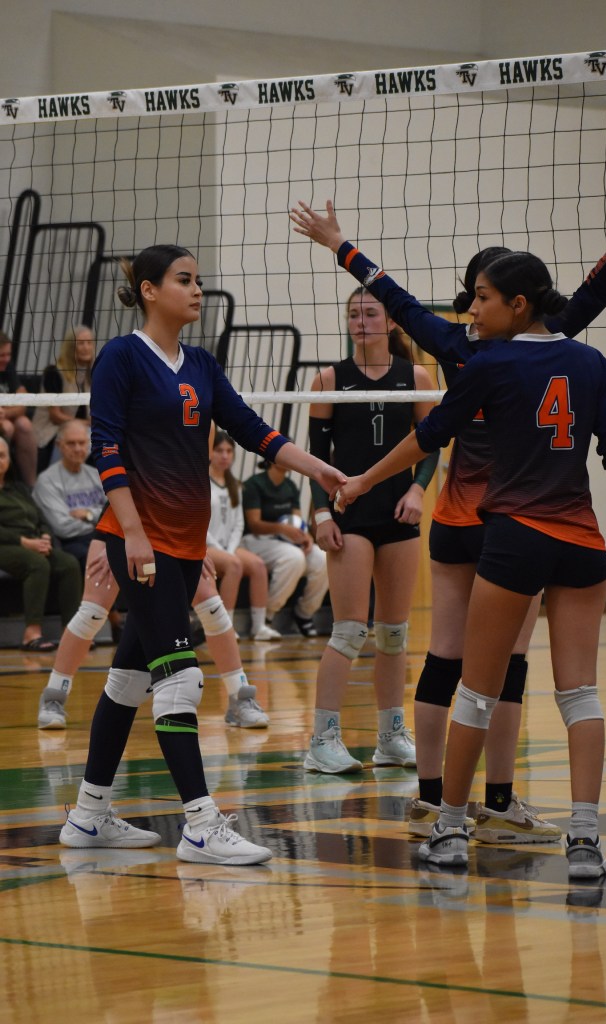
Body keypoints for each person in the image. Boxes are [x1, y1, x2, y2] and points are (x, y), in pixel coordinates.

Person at [290, 170, 606, 834]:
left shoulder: (458, 347)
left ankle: (435, 798)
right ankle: (495, 802)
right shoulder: (553, 344)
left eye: (481, 298)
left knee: (447, 659)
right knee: (508, 667)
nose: (475, 309)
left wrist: (340, 245)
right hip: (518, 525)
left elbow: (398, 301)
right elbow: (594, 291)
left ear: (503, 303)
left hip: (458, 523)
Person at [336, 249, 606, 880]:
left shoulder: (488, 361)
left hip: (514, 536)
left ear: (517, 304)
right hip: (582, 537)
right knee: (580, 694)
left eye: (482, 297)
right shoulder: (588, 361)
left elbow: (430, 434)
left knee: (474, 687)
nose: (472, 308)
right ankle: (584, 839)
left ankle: (447, 827)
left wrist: (364, 479)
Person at [58, 243, 345, 867]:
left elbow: (253, 429)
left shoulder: (203, 366)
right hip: (140, 540)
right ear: (149, 290)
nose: (197, 290)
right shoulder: (120, 358)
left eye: (198, 280)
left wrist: (320, 469)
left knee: (130, 679)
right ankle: (199, 824)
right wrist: (130, 531)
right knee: (181, 677)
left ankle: (86, 817)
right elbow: (105, 447)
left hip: (183, 545)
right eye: (184, 280)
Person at [302, 287, 437, 774]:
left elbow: (430, 445)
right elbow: (316, 461)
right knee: (350, 629)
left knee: (395, 635)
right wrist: (320, 515)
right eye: (354, 314)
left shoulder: (415, 376)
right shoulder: (329, 379)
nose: (361, 321)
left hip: (397, 514)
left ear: (392, 323)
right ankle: (322, 739)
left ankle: (390, 737)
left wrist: (419, 489)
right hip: (349, 515)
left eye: (371, 313)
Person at [37, 537, 270, 731]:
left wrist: (198, 540)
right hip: (124, 524)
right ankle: (53, 697)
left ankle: (240, 697)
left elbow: (189, 491)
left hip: (174, 528)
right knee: (92, 612)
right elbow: (121, 488)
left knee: (212, 607)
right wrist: (118, 542)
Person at [0, 434, 81, 651]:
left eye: (2, 456)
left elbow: (40, 516)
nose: (0, 461)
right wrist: (23, 541)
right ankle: (32, 632)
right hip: (6, 544)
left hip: (33, 542)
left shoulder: (18, 488)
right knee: (37, 564)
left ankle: (71, 632)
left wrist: (45, 535)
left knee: (68, 563)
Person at [207, 430, 281, 641]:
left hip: (228, 547)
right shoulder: (201, 481)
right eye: (219, 450)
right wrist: (224, 552)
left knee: (257, 565)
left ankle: (259, 627)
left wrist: (230, 549)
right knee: (234, 565)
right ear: (210, 453)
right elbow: (199, 523)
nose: (225, 455)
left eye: (229, 451)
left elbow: (239, 523)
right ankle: (225, 627)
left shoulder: (235, 485)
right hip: (205, 545)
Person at [240, 460, 328, 637]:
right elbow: (254, 524)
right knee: (294, 557)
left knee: (322, 558)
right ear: (272, 458)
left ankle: (304, 613)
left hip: (285, 541)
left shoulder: (290, 486)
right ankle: (267, 615)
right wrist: (281, 528)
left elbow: (296, 521)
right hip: (256, 540)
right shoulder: (254, 484)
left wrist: (306, 538)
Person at [32, 419, 106, 573]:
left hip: (101, 535)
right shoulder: (47, 481)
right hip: (69, 543)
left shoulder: (96, 475)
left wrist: (88, 515)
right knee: (94, 557)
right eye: (71, 443)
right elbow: (63, 527)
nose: (78, 448)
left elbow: (113, 512)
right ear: (59, 446)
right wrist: (100, 521)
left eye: (82, 442)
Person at [32, 324, 94, 472]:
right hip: (52, 428)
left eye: (89, 343)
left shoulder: (92, 375)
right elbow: (55, 416)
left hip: (83, 427)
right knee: (88, 436)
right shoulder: (53, 373)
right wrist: (86, 423)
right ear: (71, 347)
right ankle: (59, 475)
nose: (86, 347)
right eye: (81, 343)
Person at [0, 330, 37, 487]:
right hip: (5, 423)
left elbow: (23, 403)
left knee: (24, 424)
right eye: (2, 355)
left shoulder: (8, 367)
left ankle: (31, 487)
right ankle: (5, 482)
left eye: (9, 354)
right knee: (7, 427)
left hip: (6, 416)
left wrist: (5, 411)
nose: (6, 359)